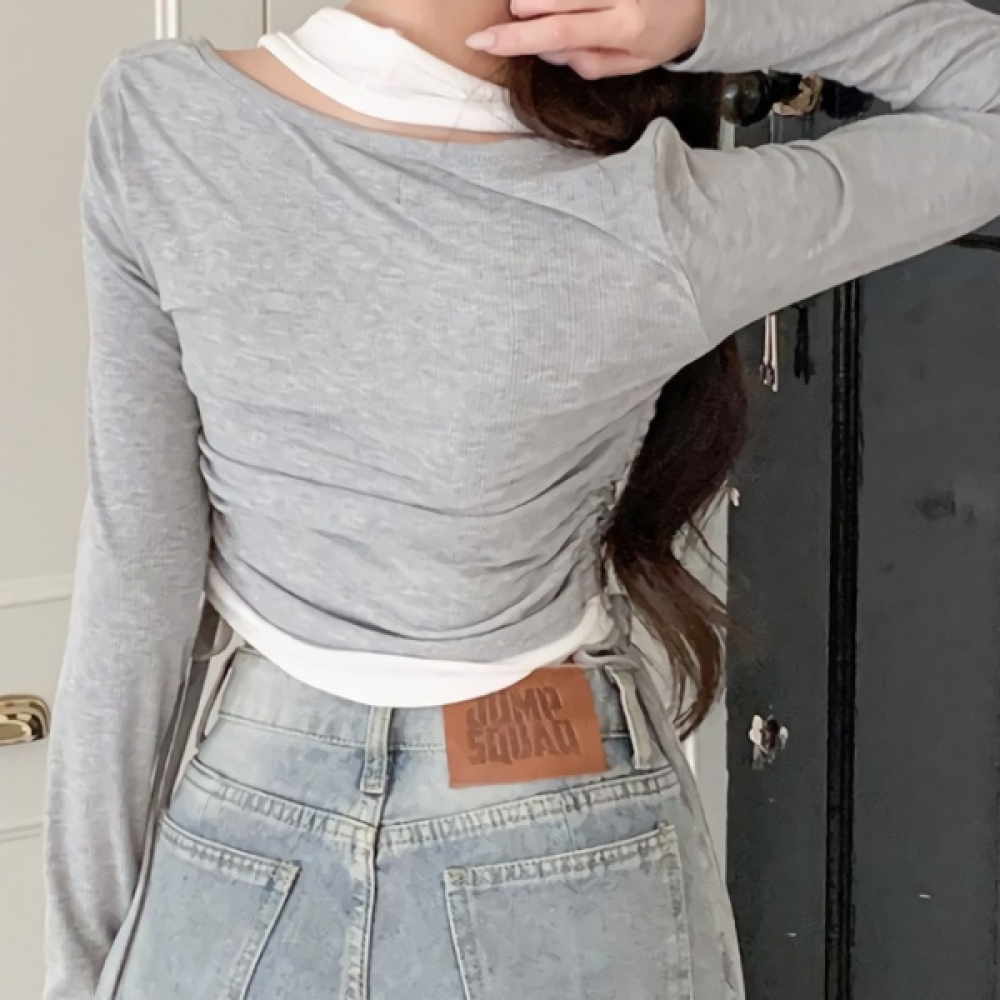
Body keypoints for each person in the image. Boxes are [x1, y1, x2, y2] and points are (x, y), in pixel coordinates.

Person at [42, 0, 1000, 994]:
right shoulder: (654, 220)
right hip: (557, 814)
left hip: (253, 808)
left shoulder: (164, 121)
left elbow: (138, 575)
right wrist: (700, 21)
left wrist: (79, 969)